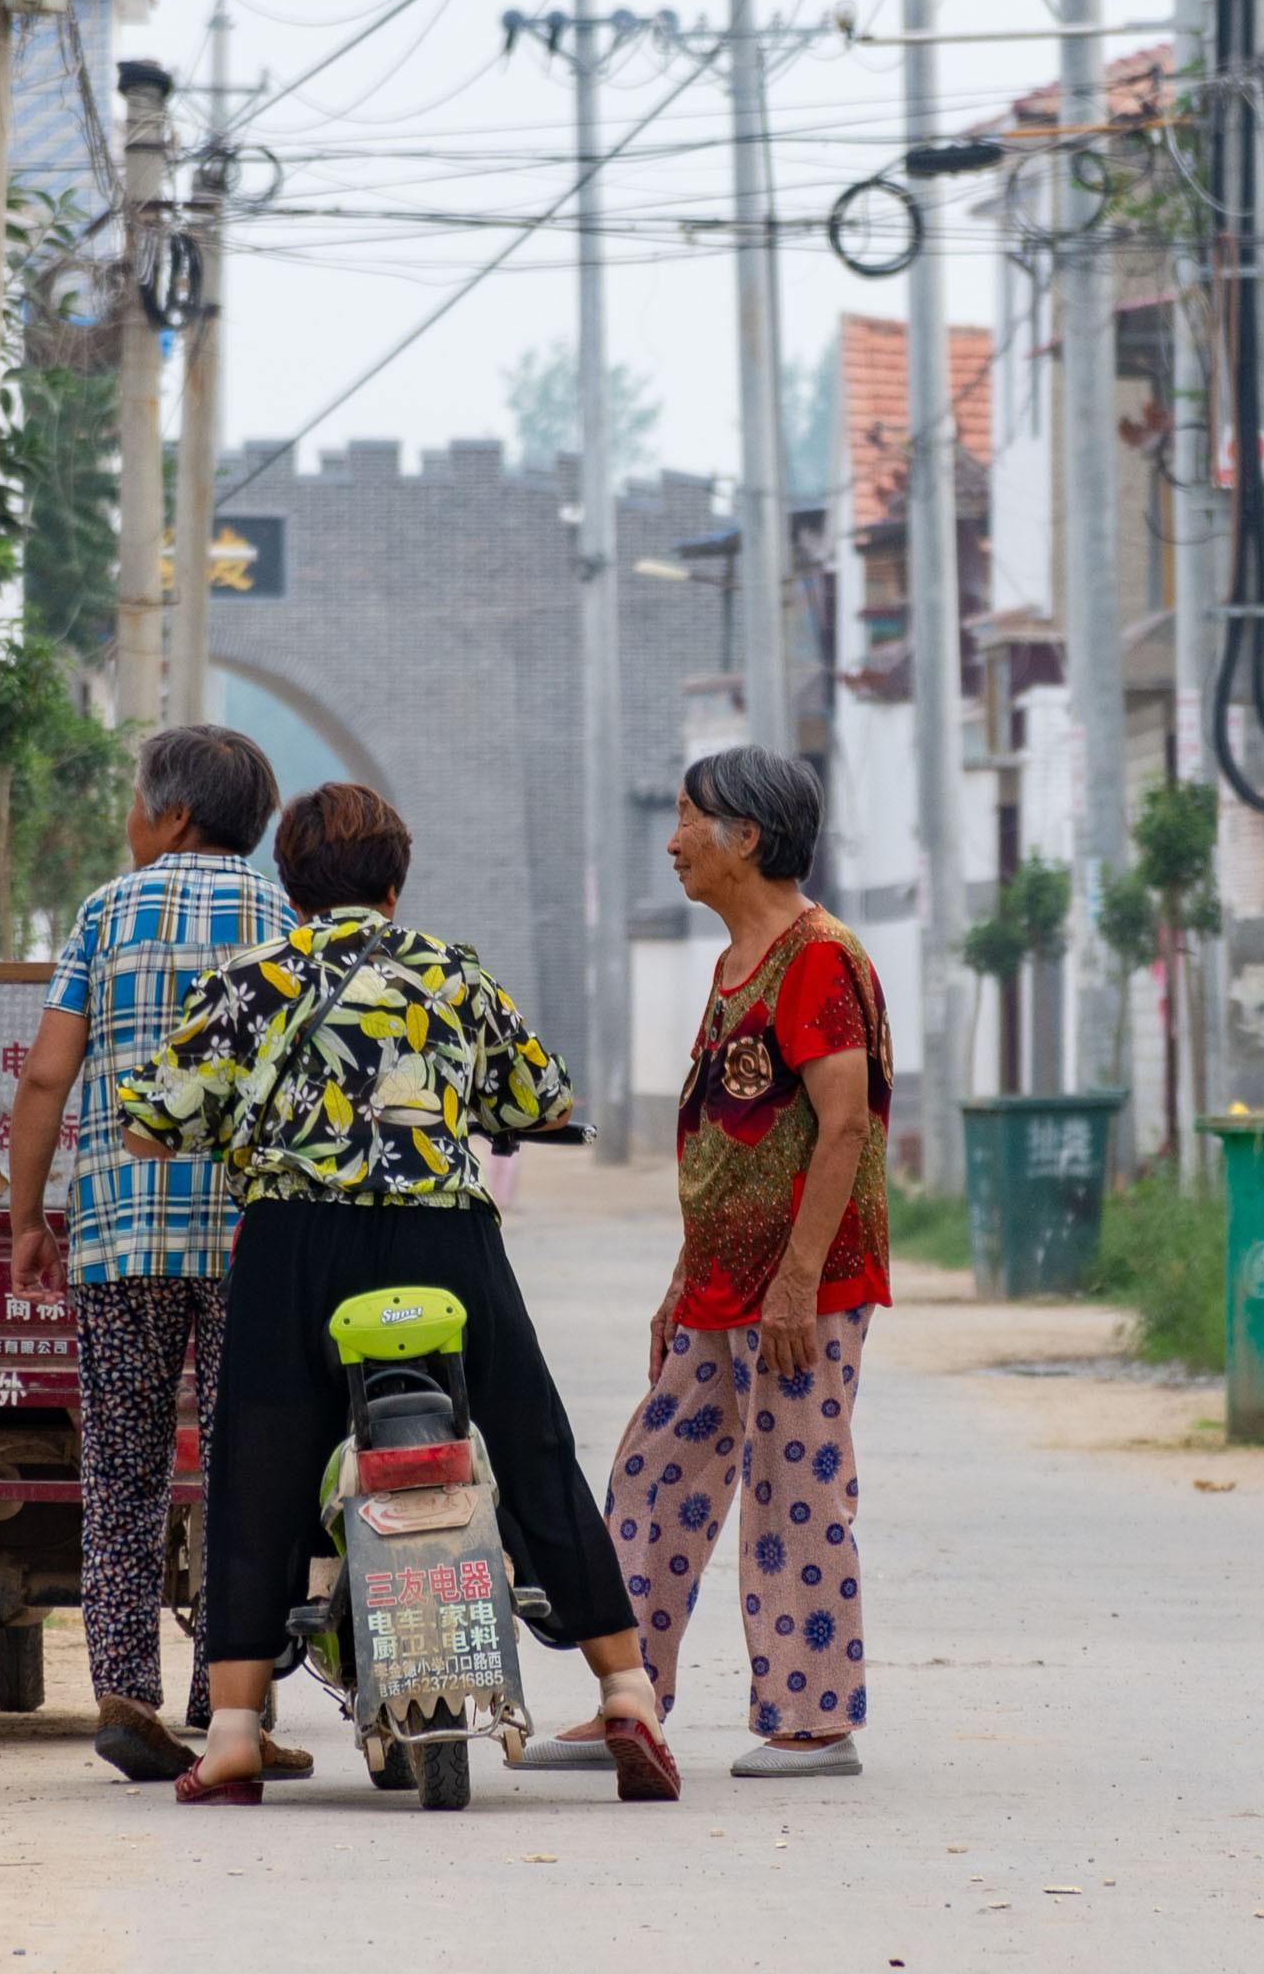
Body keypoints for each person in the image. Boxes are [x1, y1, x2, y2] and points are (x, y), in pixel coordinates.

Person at [117, 782, 683, 1805]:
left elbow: (154, 1118)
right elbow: (538, 1096)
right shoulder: (450, 969)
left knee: (259, 1465)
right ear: (394, 881)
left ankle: (238, 1728)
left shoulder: (250, 977)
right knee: (532, 1440)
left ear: (289, 885)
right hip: (442, 1237)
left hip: (296, 1243)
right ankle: (628, 1688)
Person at [531, 747, 890, 1780]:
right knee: (652, 1470)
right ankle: (629, 1698)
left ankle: (815, 1718)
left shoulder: (819, 957)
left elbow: (843, 1127)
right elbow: (729, 1139)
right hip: (721, 1287)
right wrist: (681, 1282)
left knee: (795, 1488)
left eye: (691, 817)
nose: (674, 838)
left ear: (750, 838)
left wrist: (795, 1277)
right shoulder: (739, 962)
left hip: (801, 1288)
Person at [8, 725, 310, 1784]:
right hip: (252, 1240)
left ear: (172, 813)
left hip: (121, 1234)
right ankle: (224, 1697)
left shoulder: (105, 911)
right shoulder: (285, 916)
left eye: (134, 798)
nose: (125, 818)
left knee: (125, 1469)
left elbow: (48, 1075)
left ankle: (125, 1687)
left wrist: (27, 1216)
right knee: (246, 1469)